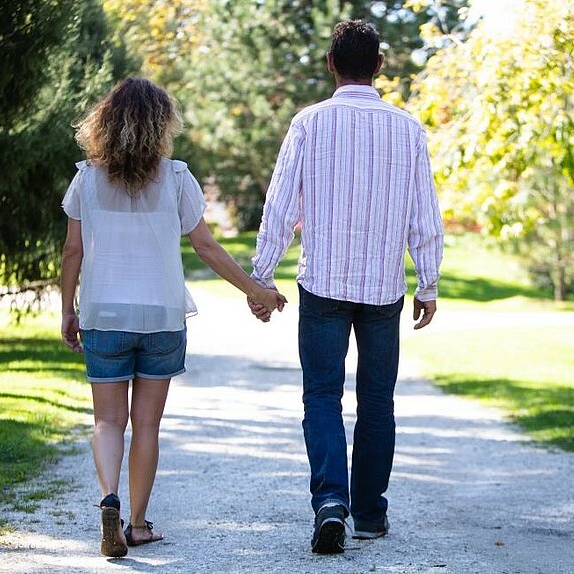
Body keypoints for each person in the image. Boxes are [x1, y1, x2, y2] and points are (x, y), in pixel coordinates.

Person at [60, 77, 286, 558]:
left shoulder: (86, 178)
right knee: (146, 425)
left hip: (104, 313)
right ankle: (137, 524)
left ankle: (109, 502)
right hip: (162, 315)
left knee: (106, 421)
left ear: (106, 121)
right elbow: (205, 247)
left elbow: (72, 251)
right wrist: (256, 290)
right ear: (161, 124)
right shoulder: (177, 177)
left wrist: (67, 310)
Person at [248, 20, 443, 554]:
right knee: (377, 402)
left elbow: (281, 207)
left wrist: (260, 277)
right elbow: (424, 216)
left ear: (331, 65)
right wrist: (427, 283)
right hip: (383, 288)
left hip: (324, 286)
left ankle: (330, 501)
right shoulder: (408, 129)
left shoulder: (309, 124)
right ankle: (371, 515)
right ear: (379, 66)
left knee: (322, 397)